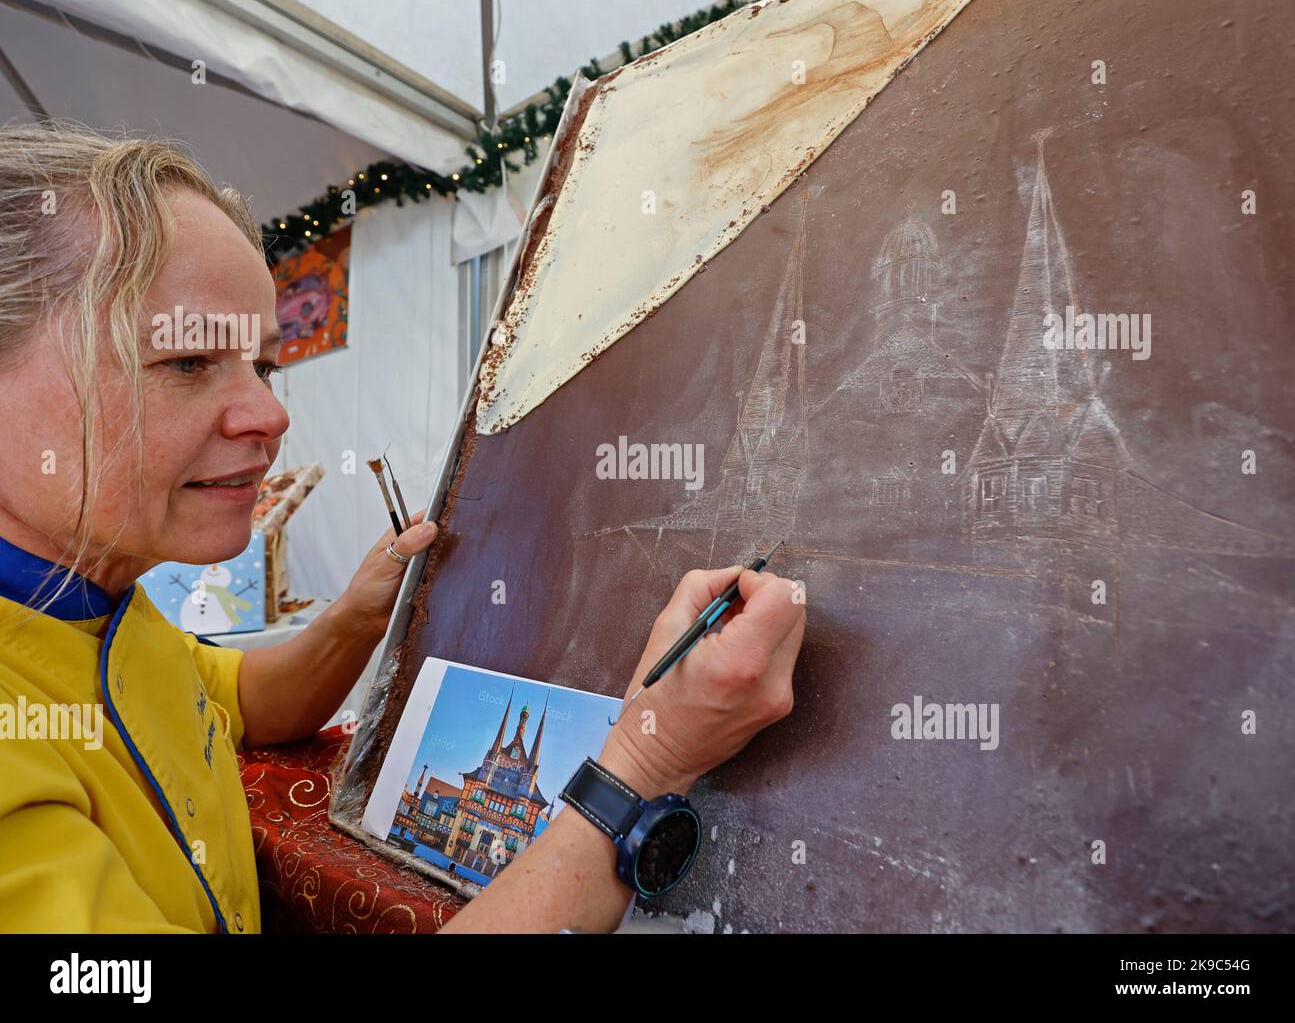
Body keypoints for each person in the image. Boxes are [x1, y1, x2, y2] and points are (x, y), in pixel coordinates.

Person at [0, 122, 805, 934]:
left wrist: (362, 607)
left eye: (264, 364)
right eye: (187, 360)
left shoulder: (96, 603)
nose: (271, 413)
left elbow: (243, 700)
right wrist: (643, 767)